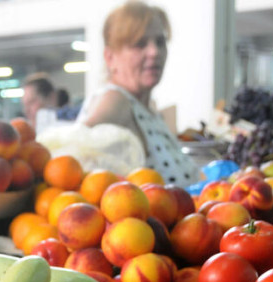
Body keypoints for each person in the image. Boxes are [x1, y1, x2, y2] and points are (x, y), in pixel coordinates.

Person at [77, 1, 198, 187]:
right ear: (110, 57)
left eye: (160, 42)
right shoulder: (115, 101)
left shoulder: (147, 108)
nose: (154, 52)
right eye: (139, 44)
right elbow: (74, 152)